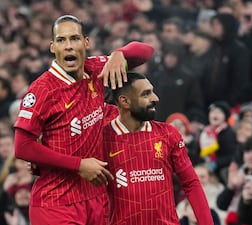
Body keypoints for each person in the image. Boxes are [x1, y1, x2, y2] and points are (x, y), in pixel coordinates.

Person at [13, 15, 154, 225]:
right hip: (57, 203)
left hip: (96, 199)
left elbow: (146, 51)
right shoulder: (42, 90)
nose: (68, 46)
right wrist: (78, 165)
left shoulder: (96, 69)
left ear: (86, 42)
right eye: (61, 40)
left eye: (74, 38)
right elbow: (22, 147)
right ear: (53, 47)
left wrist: (119, 54)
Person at [103, 72, 213, 225]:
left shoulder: (168, 134)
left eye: (152, 92)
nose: (155, 98)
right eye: (146, 94)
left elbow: (191, 183)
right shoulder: (102, 138)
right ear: (125, 101)